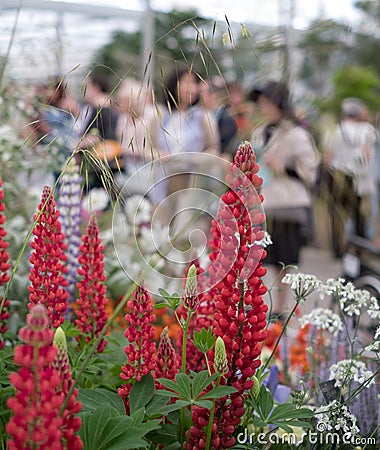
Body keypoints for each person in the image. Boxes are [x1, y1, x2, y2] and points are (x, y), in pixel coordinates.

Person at [249, 80, 320, 317]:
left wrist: (286, 167)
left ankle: (279, 308)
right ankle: (262, 305)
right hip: (266, 202)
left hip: (289, 202)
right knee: (264, 259)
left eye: (266, 101)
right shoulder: (260, 132)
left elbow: (311, 170)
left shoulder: (296, 134)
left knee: (285, 261)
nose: (262, 106)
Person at [156, 66, 220, 231]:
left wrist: (198, 157)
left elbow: (214, 150)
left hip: (191, 179)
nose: (191, 88)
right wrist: (158, 155)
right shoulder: (161, 115)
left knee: (185, 231)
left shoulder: (203, 117)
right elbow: (148, 147)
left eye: (194, 83)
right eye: (186, 82)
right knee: (161, 230)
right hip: (164, 180)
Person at [323, 97, 378, 256]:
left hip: (338, 175)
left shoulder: (335, 130)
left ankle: (337, 250)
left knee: (337, 214)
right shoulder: (367, 129)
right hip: (359, 178)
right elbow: (369, 154)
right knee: (359, 214)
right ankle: (360, 249)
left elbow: (328, 158)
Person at [76, 73, 120, 193]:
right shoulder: (110, 106)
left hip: (99, 165)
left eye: (87, 87)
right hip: (104, 162)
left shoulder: (101, 108)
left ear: (95, 88)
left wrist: (77, 146)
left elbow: (97, 135)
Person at [199, 77, 238, 159]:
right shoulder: (198, 114)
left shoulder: (226, 118)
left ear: (213, 94)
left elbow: (226, 150)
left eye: (201, 92)